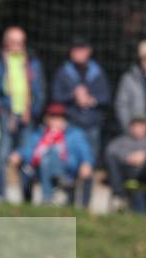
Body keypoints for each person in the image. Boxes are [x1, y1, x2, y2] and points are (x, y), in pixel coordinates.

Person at [0, 26, 46, 199]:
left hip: (27, 116)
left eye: (20, 42)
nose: (17, 46)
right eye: (13, 42)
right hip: (6, 115)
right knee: (2, 155)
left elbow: (39, 91)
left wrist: (32, 111)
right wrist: (3, 109)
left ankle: (27, 196)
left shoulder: (32, 63)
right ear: (6, 42)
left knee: (27, 155)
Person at [13, 103, 93, 205]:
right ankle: (40, 197)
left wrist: (87, 163)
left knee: (50, 154)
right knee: (39, 162)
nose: (56, 122)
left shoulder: (75, 134)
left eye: (60, 118)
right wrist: (19, 154)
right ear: (47, 120)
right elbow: (29, 150)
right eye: (53, 118)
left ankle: (48, 197)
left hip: (68, 169)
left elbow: (85, 152)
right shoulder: (40, 134)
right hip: (39, 169)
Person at [50, 36, 110, 165]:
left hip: (92, 123)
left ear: (88, 51)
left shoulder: (98, 72)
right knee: (70, 159)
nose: (78, 53)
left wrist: (91, 100)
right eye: (75, 50)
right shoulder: (63, 72)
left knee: (90, 160)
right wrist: (73, 95)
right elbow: (56, 96)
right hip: (72, 122)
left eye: (81, 49)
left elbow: (106, 96)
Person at [104, 114, 146, 213]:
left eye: (141, 126)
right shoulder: (121, 141)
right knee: (112, 158)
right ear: (130, 128)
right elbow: (109, 153)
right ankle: (119, 197)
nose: (138, 129)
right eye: (135, 126)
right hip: (126, 171)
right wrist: (127, 157)